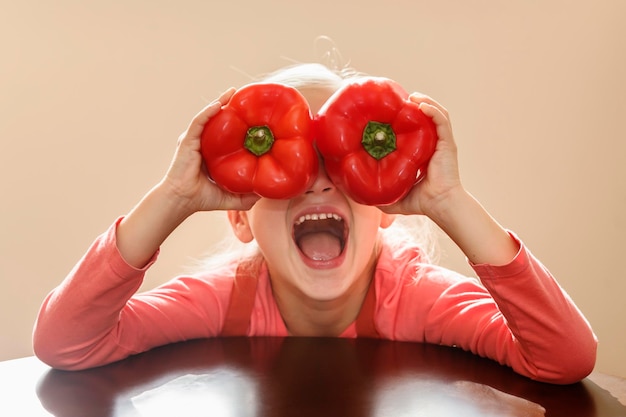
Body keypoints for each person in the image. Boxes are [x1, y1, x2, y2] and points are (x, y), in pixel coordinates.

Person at [32, 62, 597, 384]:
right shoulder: (228, 299)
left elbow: (565, 358)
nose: (317, 182)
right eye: (288, 165)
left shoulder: (416, 298)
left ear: (387, 210)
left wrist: (450, 201)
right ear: (241, 219)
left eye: (345, 164)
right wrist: (175, 196)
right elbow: (67, 343)